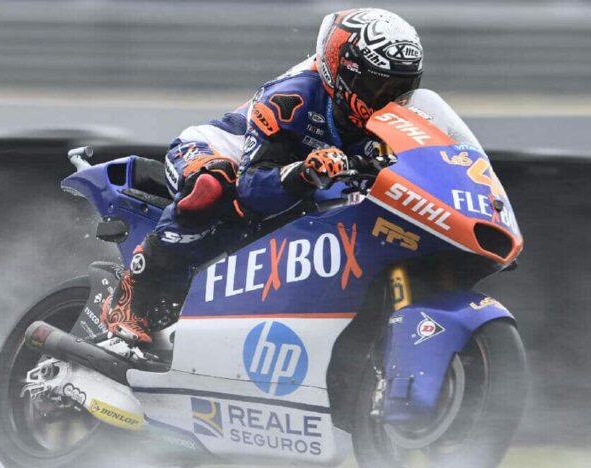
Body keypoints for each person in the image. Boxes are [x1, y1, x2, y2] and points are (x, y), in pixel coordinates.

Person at [101, 8, 424, 344]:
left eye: (401, 89)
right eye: (379, 86)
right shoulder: (293, 97)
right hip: (213, 154)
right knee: (213, 187)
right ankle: (130, 299)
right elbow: (253, 188)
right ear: (342, 70)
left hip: (289, 181)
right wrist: (306, 173)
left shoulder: (395, 118)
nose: (390, 100)